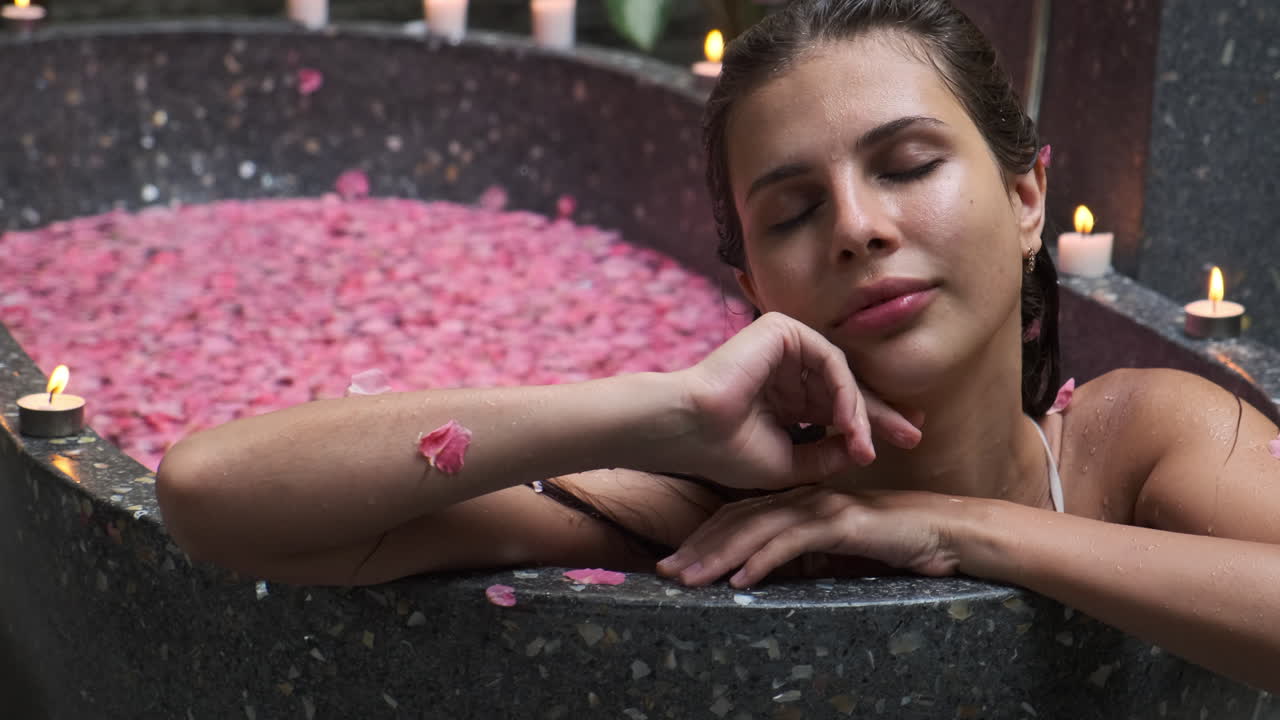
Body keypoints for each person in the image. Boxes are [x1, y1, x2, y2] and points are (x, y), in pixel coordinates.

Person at [156, 0, 1280, 694]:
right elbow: (210, 494)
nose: (855, 227)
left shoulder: (1131, 446)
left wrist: (962, 529)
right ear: (748, 283)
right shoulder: (699, 516)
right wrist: (654, 413)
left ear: (1026, 195)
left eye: (905, 164)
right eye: (790, 213)